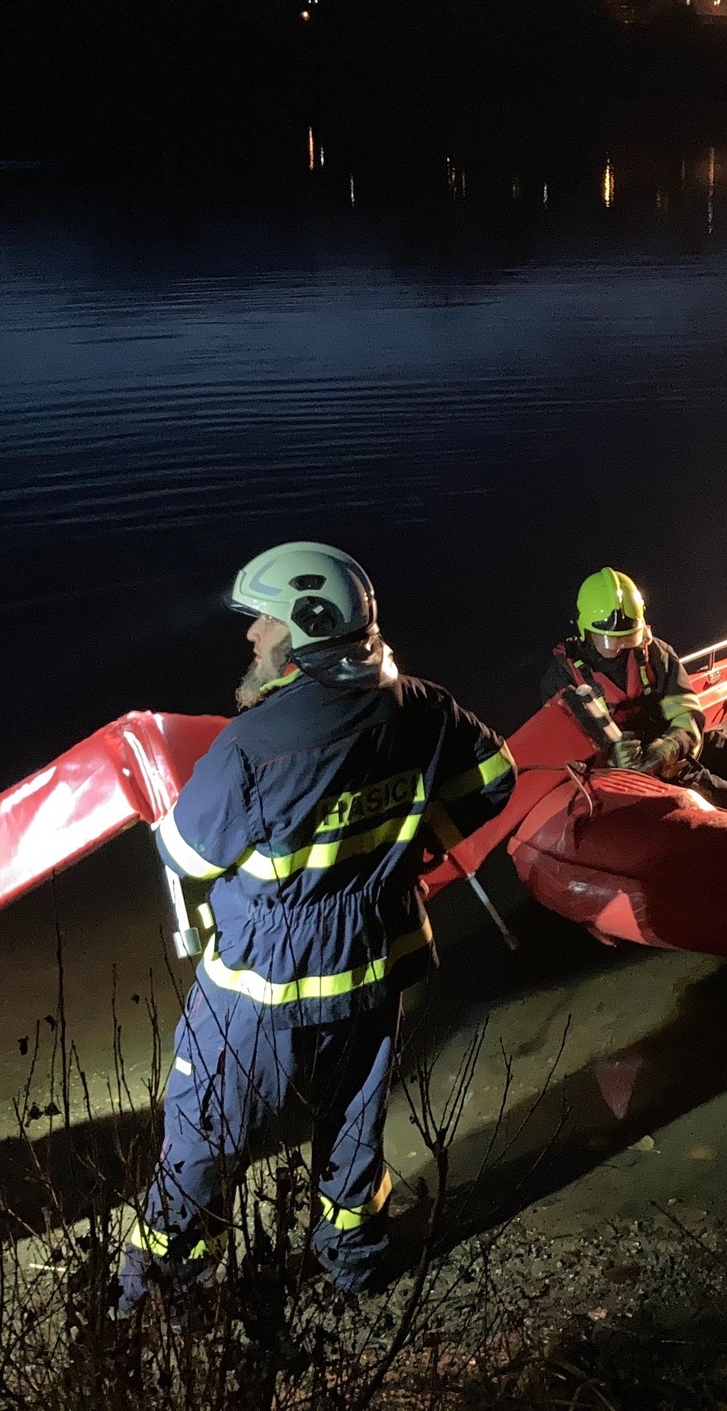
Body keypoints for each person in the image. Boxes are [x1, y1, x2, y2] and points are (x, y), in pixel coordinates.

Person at [117, 542, 514, 1312]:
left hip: (262, 985)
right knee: (355, 1127)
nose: (251, 637)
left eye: (262, 621)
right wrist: (417, 841)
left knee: (205, 1138)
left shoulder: (253, 746)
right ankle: (356, 1256)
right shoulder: (425, 705)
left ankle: (157, 1292)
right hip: (379, 959)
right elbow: (494, 779)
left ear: (308, 627)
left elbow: (186, 855)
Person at [541, 567, 727, 813]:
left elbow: (688, 714)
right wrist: (611, 762)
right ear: (585, 630)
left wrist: (671, 745)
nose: (620, 647)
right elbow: (566, 761)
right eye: (610, 640)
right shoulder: (563, 681)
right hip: (633, 782)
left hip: (674, 748)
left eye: (629, 637)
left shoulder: (656, 654)